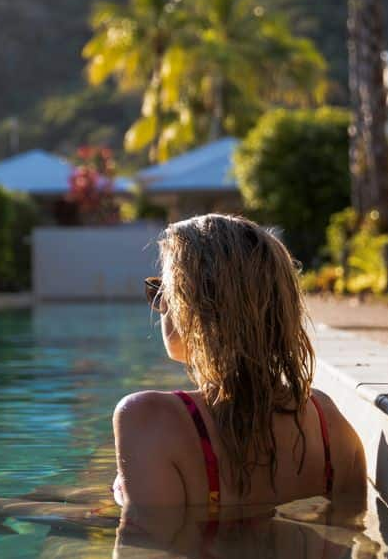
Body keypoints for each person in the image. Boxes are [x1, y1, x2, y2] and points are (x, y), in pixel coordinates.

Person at [113, 214, 366, 524]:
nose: (159, 305)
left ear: (194, 303)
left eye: (161, 290)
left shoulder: (149, 417)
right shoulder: (329, 424)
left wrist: (127, 496)